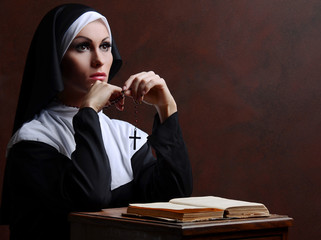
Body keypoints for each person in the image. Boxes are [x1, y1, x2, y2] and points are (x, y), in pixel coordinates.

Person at [0, 3, 193, 240]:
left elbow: (174, 194)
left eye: (105, 46)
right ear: (56, 57)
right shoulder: (33, 140)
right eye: (82, 47)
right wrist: (88, 110)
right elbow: (90, 198)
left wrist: (167, 109)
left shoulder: (123, 134)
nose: (99, 60)